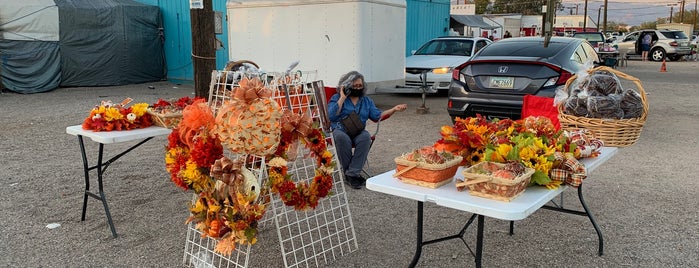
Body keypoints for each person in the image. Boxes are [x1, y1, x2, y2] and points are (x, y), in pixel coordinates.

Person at [328, 71, 408, 189]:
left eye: (360, 86)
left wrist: (394, 109)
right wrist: (342, 98)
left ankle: (351, 173)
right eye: (354, 86)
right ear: (346, 86)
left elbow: (377, 116)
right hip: (340, 130)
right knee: (341, 137)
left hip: (358, 131)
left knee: (365, 137)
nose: (357, 88)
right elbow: (331, 116)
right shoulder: (336, 98)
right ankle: (352, 175)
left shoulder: (366, 101)